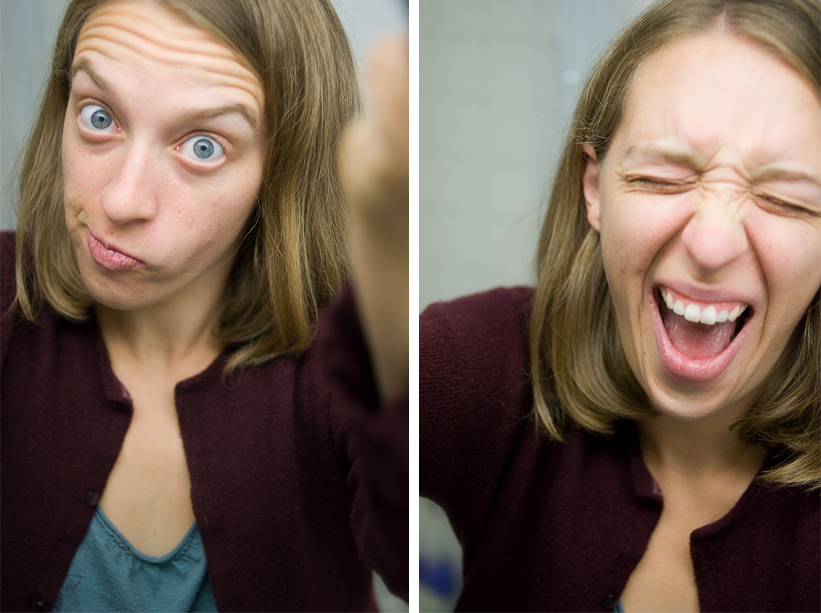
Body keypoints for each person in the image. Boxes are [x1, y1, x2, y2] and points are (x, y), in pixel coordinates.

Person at [0, 0, 409, 611]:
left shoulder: (336, 368)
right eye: (98, 115)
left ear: (282, 174)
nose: (121, 200)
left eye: (203, 147)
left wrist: (387, 258)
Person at [415, 0, 819, 611]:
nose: (711, 244)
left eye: (786, 199)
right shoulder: (484, 367)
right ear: (594, 188)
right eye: (662, 178)